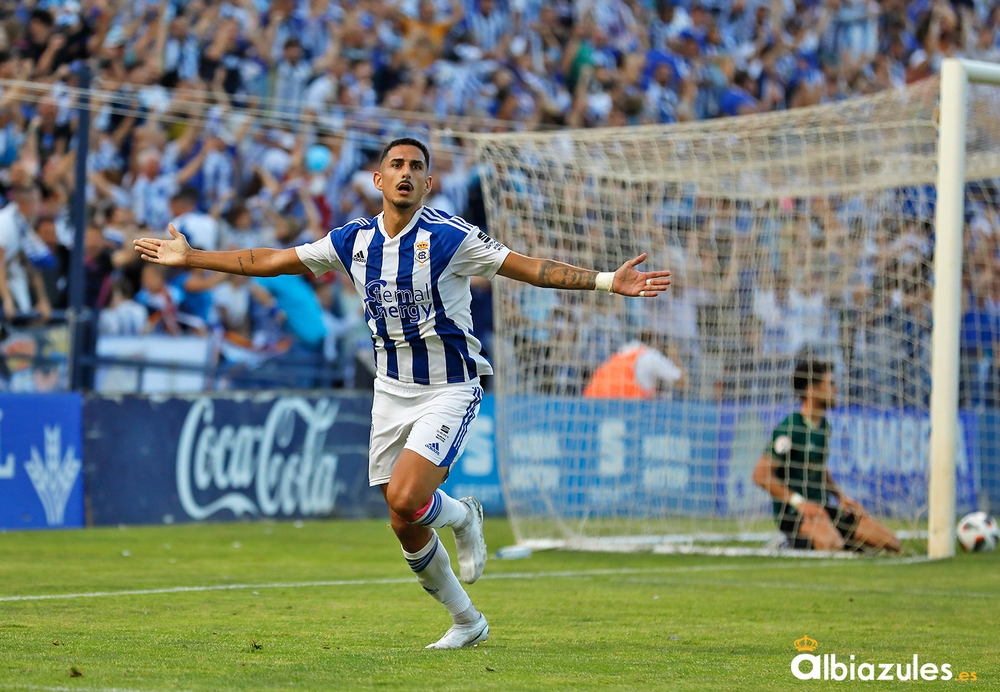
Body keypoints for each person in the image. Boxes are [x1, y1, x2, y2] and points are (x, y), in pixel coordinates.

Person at [134, 137, 671, 649]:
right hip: (391, 390)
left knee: (406, 498)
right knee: (401, 521)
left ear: (429, 182)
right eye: (397, 165)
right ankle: (467, 618)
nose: (406, 174)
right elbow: (269, 260)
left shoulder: (452, 236)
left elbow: (529, 269)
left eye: (416, 167)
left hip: (449, 386)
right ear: (378, 178)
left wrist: (605, 281)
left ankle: (461, 517)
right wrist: (194, 258)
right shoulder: (352, 240)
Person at [752, 359, 901, 553]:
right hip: (794, 513)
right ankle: (788, 542)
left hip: (823, 508)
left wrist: (841, 497)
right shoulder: (790, 428)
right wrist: (799, 502)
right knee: (832, 545)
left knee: (890, 543)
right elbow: (760, 475)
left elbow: (818, 468)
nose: (836, 390)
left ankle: (833, 539)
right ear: (811, 390)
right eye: (830, 384)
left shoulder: (824, 426)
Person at [583, 331, 685, 398]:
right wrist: (674, 356)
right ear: (655, 344)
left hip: (591, 398)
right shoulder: (651, 356)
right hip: (618, 404)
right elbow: (682, 382)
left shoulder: (624, 351)